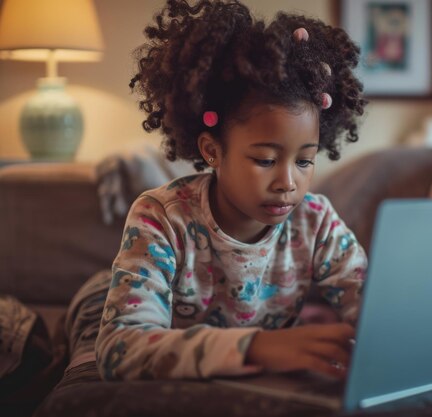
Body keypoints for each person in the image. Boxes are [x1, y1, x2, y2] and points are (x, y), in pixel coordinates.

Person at [95, 0, 368, 382]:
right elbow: (117, 350)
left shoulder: (316, 221)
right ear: (212, 151)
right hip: (114, 297)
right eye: (265, 160)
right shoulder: (161, 217)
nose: (288, 183)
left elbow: (372, 307)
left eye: (304, 161)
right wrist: (252, 346)